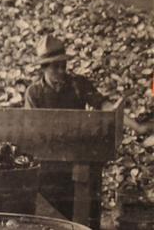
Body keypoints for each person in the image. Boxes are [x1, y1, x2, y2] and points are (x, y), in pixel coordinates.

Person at [24, 35, 151, 219]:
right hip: (50, 164)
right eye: (55, 67)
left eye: (63, 65)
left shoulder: (78, 84)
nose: (61, 70)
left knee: (85, 208)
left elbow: (105, 106)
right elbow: (32, 128)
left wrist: (136, 127)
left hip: (80, 155)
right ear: (44, 68)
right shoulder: (34, 93)